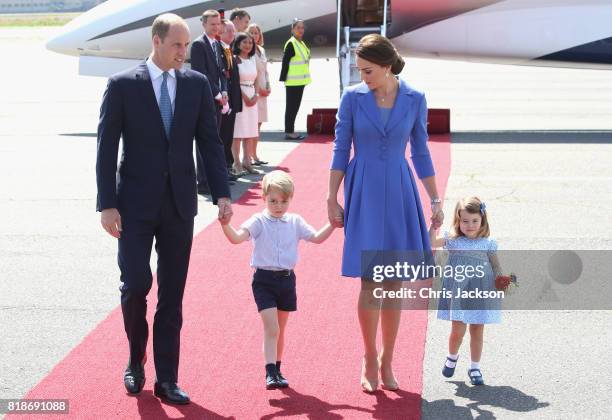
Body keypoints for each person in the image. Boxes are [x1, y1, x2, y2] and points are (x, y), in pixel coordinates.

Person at [96, 14, 233, 404]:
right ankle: (135, 357)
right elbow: (106, 148)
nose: (183, 52)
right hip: (133, 207)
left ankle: (167, 378)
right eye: (177, 45)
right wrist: (107, 204)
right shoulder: (122, 85)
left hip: (178, 207)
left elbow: (210, 142)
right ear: (156, 42)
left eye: (186, 45)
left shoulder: (195, 84)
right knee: (136, 285)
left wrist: (222, 194)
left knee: (172, 295)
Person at [327, 34, 444, 392]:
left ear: (388, 66)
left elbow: (421, 152)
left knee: (393, 281)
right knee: (369, 280)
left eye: (368, 70)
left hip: (399, 190)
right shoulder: (351, 97)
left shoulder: (415, 98)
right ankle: (368, 356)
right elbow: (340, 147)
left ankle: (388, 359)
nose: (363, 77)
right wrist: (331, 197)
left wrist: (435, 199)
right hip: (362, 190)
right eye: (359, 70)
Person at [219, 170, 335, 389]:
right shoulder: (259, 221)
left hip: (287, 281)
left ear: (291, 198)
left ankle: (277, 369)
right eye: (273, 201)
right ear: (263, 198)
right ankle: (270, 372)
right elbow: (236, 238)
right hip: (264, 281)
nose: (278, 206)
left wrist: (333, 224)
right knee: (271, 327)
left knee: (280, 329)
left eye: (284, 201)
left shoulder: (295, 221)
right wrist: (225, 224)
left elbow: (317, 238)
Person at [429, 197, 502, 386]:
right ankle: (452, 357)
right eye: (465, 221)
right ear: (458, 221)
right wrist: (433, 225)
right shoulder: (452, 240)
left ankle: (475, 367)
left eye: (475, 221)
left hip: (480, 291)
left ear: (482, 220)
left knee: (477, 330)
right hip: (459, 292)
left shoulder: (488, 242)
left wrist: (501, 280)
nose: (470, 225)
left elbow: (496, 266)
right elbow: (431, 243)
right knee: (457, 331)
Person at [190, 9, 229, 193]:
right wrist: (216, 93)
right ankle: (203, 181)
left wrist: (224, 90)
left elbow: (222, 71)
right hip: (205, 99)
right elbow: (201, 72)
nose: (216, 27)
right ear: (204, 24)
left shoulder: (218, 44)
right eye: (212, 24)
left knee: (214, 139)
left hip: (218, 98)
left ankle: (213, 178)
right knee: (204, 140)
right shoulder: (199, 45)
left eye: (218, 23)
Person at [231, 32, 259, 176]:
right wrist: (245, 97)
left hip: (252, 96)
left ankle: (247, 161)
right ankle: (236, 163)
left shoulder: (252, 59)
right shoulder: (235, 60)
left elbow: (257, 79)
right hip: (239, 97)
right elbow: (234, 81)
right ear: (238, 44)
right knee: (238, 132)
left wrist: (256, 95)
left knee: (250, 131)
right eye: (244, 42)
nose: (248, 45)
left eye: (250, 42)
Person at [280, 18, 310, 140]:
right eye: (298, 28)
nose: (301, 30)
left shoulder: (301, 43)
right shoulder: (292, 43)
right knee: (291, 107)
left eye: (302, 28)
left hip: (300, 81)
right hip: (293, 81)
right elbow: (285, 62)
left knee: (295, 106)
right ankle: (289, 131)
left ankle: (291, 130)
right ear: (292, 30)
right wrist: (283, 78)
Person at [218, 19, 241, 180]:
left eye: (233, 31)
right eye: (229, 31)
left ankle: (227, 166)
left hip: (232, 100)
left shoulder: (229, 49)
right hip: (223, 101)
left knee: (228, 136)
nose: (232, 34)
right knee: (223, 135)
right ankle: (224, 168)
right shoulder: (219, 49)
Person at [248, 23, 270, 166]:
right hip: (254, 90)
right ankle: (250, 156)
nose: (255, 35)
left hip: (263, 90)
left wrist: (268, 86)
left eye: (257, 32)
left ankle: (254, 154)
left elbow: (266, 71)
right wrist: (258, 90)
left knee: (258, 125)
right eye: (252, 32)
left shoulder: (261, 50)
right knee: (252, 125)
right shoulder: (248, 50)